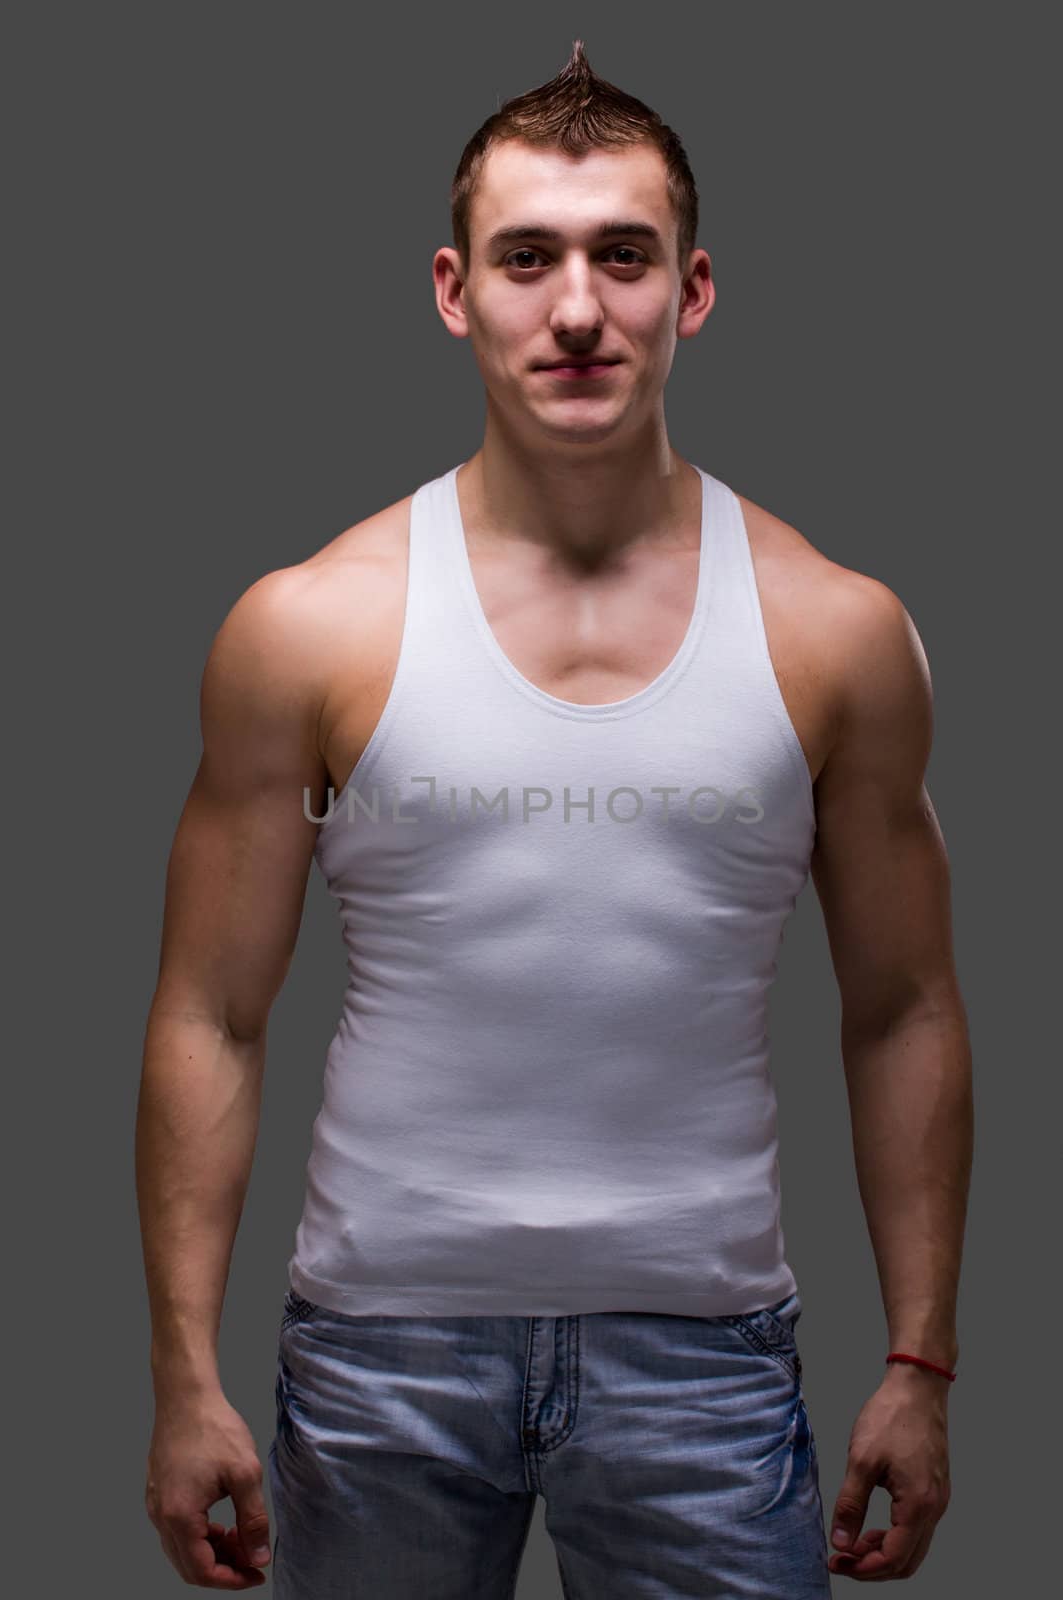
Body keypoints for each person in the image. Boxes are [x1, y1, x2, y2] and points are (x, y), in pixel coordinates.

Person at [137, 38, 973, 1598]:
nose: (577, 308)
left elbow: (905, 1007)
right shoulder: (313, 628)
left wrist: (919, 1360)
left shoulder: (833, 632)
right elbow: (212, 1012)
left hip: (707, 1363)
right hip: (383, 1358)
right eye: (530, 258)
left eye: (622, 258)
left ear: (695, 288)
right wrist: (185, 1376)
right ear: (455, 290)